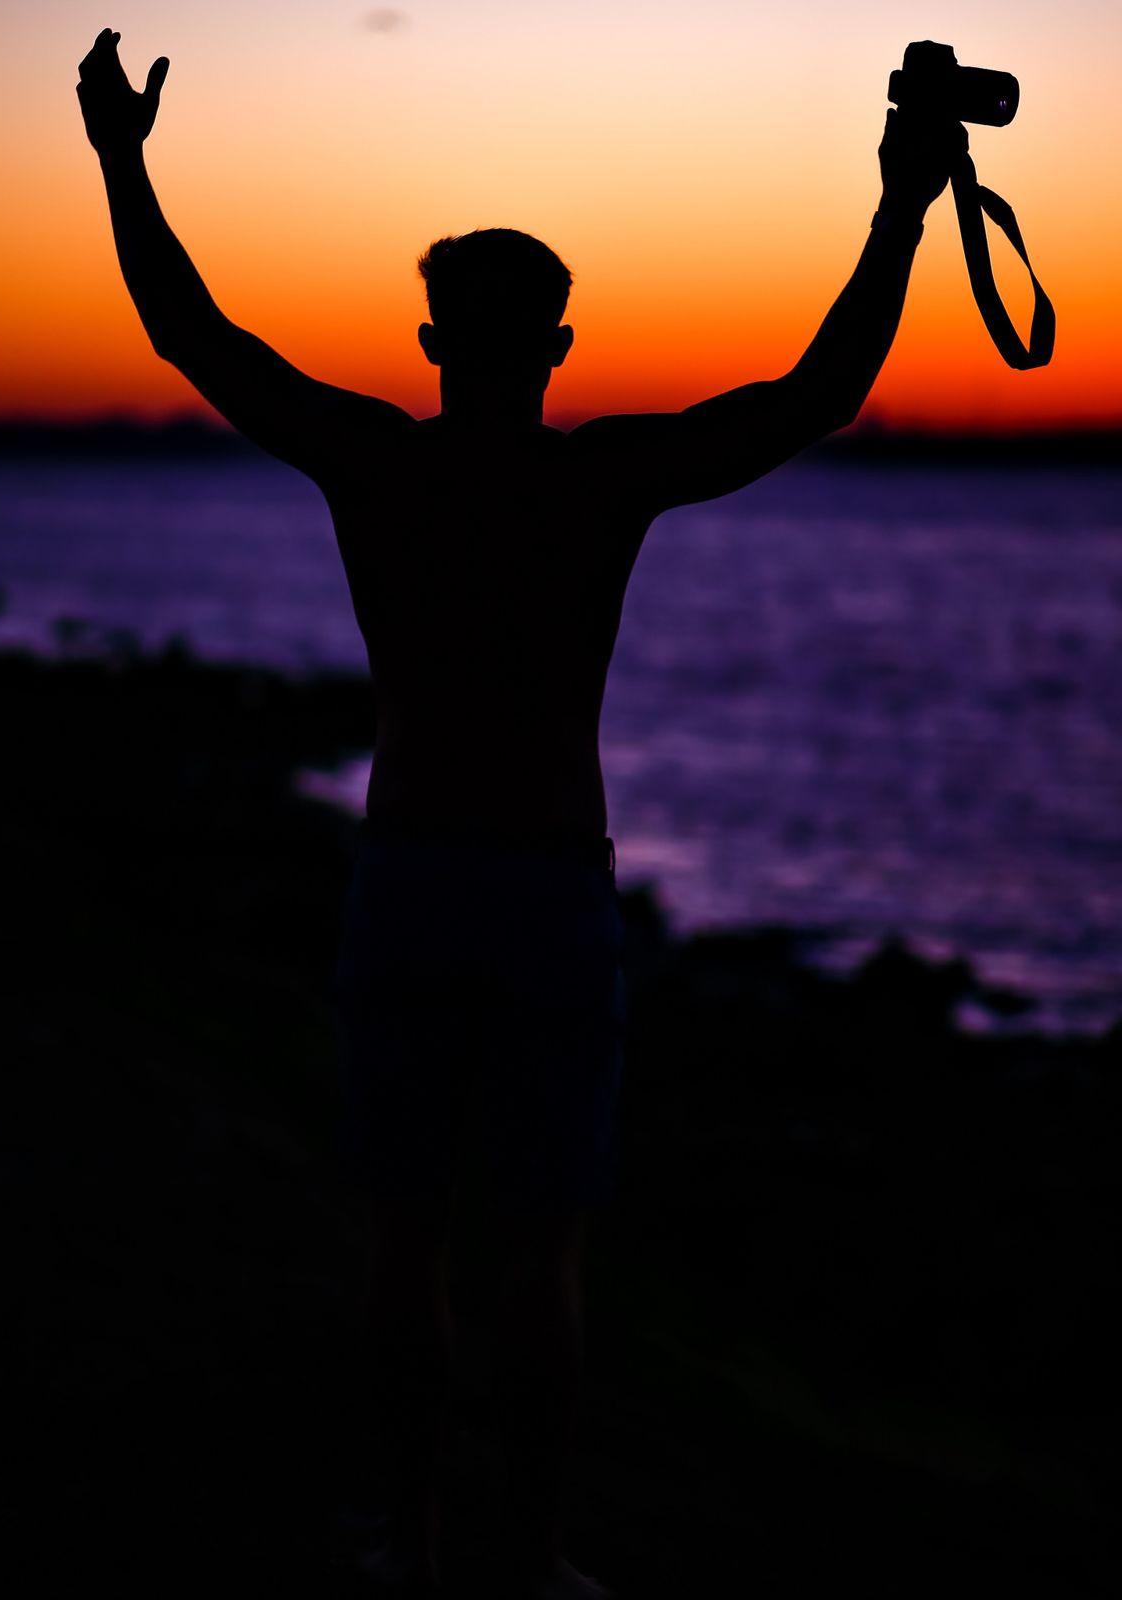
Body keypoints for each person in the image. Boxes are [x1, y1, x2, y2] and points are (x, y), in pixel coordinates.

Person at [77, 27, 966, 1598]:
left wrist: (121, 158)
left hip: (410, 873)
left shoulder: (375, 461)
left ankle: (413, 1545)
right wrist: (902, 203)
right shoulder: (598, 481)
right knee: (541, 1251)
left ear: (432, 339)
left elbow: (192, 335)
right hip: (552, 888)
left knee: (406, 1241)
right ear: (557, 343)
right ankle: (534, 1556)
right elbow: (820, 393)